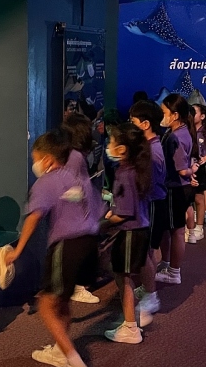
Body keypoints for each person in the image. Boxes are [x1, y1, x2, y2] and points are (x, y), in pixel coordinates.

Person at [6, 129, 100, 367]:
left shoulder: (46, 183)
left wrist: (17, 250)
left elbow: (34, 217)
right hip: (89, 242)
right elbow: (96, 209)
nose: (35, 164)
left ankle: (76, 365)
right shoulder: (77, 178)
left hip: (66, 246)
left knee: (46, 304)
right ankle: (60, 350)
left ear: (47, 159)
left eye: (35, 159)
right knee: (62, 299)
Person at [102, 122, 152, 344]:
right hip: (139, 229)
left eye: (111, 142)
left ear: (122, 149)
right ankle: (134, 318)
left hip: (130, 231)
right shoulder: (135, 169)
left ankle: (131, 326)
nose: (108, 146)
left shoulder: (124, 173)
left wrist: (102, 223)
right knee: (123, 275)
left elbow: (125, 212)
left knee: (124, 278)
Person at [129, 99, 167, 324]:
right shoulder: (149, 146)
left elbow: (147, 183)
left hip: (151, 203)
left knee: (145, 251)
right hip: (150, 203)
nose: (130, 125)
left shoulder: (153, 151)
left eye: (132, 121)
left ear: (145, 124)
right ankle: (148, 287)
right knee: (148, 251)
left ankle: (151, 296)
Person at [155, 94, 196, 285]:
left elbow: (181, 168)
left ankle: (174, 272)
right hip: (174, 188)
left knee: (177, 231)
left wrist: (191, 170)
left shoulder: (176, 137)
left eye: (164, 112)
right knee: (168, 229)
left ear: (175, 115)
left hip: (176, 189)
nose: (161, 116)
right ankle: (166, 263)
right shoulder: (177, 132)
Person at [62, 112, 102, 304]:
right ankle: (76, 287)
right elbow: (75, 186)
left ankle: (76, 285)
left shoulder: (71, 153)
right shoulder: (76, 156)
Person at [188, 103, 206, 243]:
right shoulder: (186, 129)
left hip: (200, 167)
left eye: (194, 112)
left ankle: (199, 228)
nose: (191, 115)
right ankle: (189, 227)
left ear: (202, 116)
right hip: (187, 166)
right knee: (187, 198)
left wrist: (203, 159)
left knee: (199, 198)